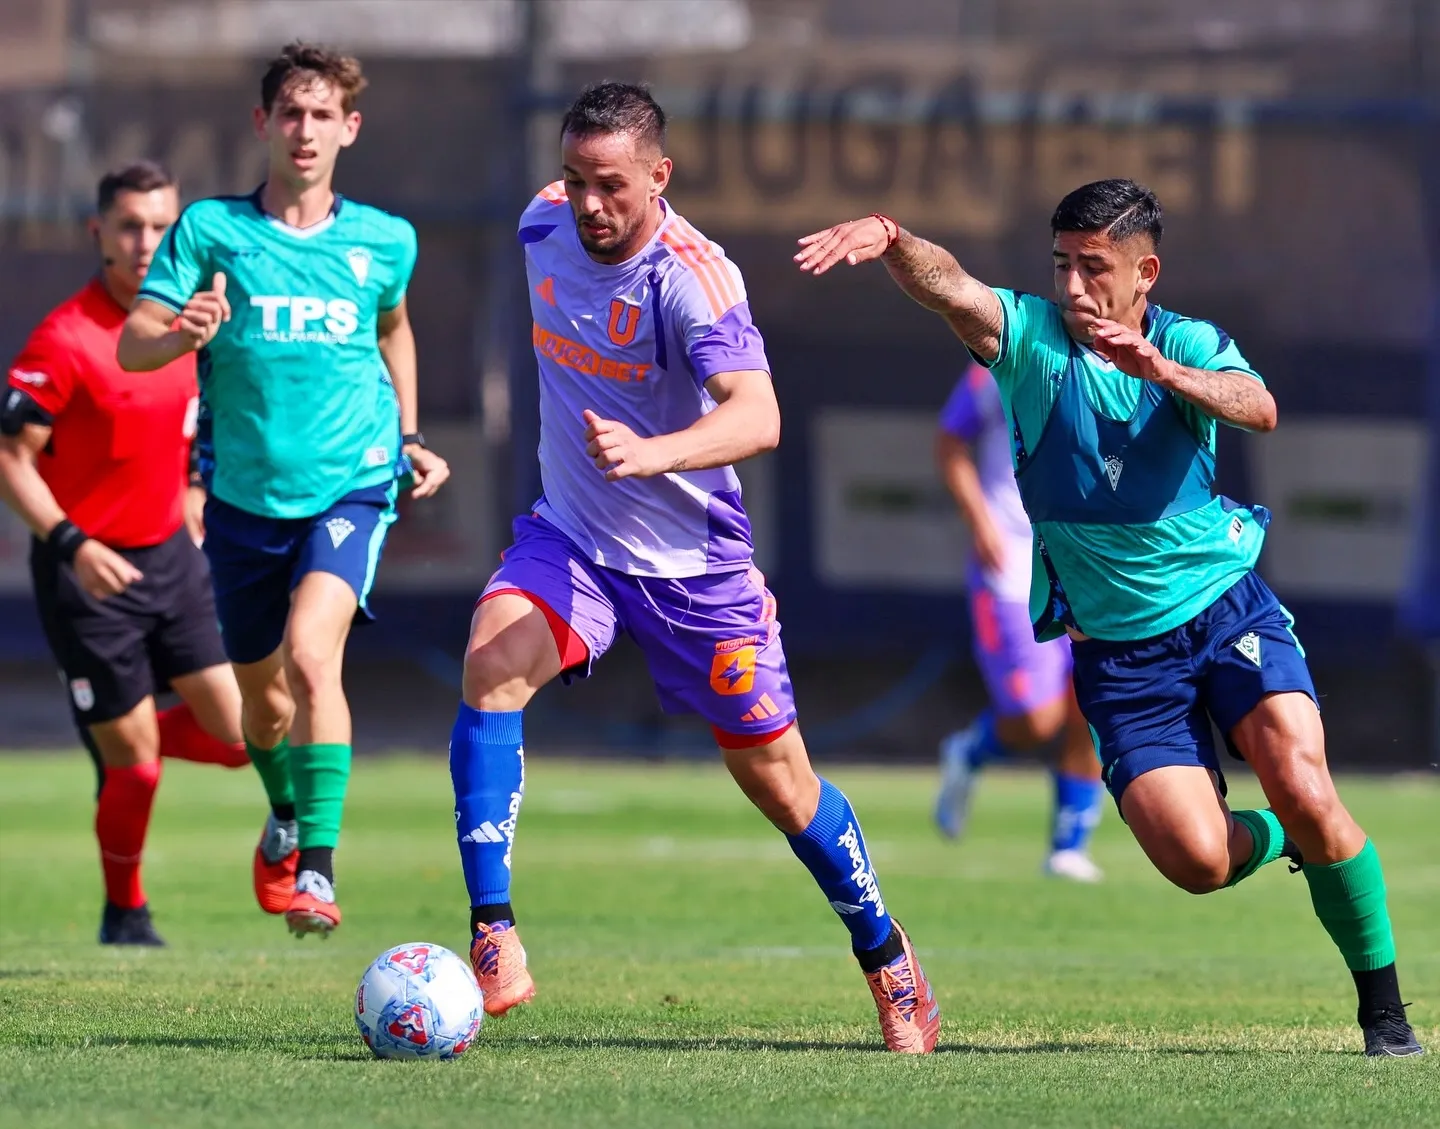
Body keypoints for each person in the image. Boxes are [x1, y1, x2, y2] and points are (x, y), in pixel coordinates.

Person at [796, 178, 1423, 1057]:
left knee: (1307, 780)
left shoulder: (1190, 343)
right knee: (1199, 863)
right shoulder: (1030, 343)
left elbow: (1261, 407)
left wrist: (1162, 371)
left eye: (1095, 269)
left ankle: (1385, 1016)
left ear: (1145, 273)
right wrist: (895, 238)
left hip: (1225, 609)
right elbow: (955, 286)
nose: (1076, 288)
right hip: (1124, 659)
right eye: (1063, 266)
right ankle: (1285, 832)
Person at [446, 83, 940, 1053]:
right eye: (579, 180)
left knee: (782, 785)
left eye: (614, 186)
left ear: (659, 177)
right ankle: (493, 930)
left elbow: (759, 417)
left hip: (693, 568)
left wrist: (651, 451)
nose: (592, 204)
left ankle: (888, 956)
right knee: (489, 663)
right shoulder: (540, 224)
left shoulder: (695, 279)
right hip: (575, 540)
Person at [116, 43, 450, 938]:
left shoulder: (385, 239)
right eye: (290, 114)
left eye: (322, 114)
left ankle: (319, 872)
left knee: (312, 658)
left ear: (351, 127)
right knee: (261, 706)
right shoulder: (211, 231)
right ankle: (286, 815)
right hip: (242, 504)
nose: (306, 130)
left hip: (349, 485)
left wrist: (410, 437)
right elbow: (134, 344)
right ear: (264, 124)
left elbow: (396, 329)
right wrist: (182, 330)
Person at [0, 161, 249, 947]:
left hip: (172, 560)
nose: (147, 241)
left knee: (248, 738)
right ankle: (125, 912)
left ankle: (121, 721)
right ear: (98, 233)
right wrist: (72, 543)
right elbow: (11, 456)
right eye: (130, 225)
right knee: (135, 768)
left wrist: (196, 491)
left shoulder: (186, 326)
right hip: (87, 575)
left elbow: (187, 432)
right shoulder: (65, 337)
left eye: (161, 226)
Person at [933, 362, 1105, 881]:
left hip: (1087, 566)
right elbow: (949, 443)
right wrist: (979, 519)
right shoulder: (998, 365)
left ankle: (1068, 846)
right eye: (1067, 274)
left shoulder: (1119, 364)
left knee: (1093, 703)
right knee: (1037, 719)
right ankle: (970, 751)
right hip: (1008, 570)